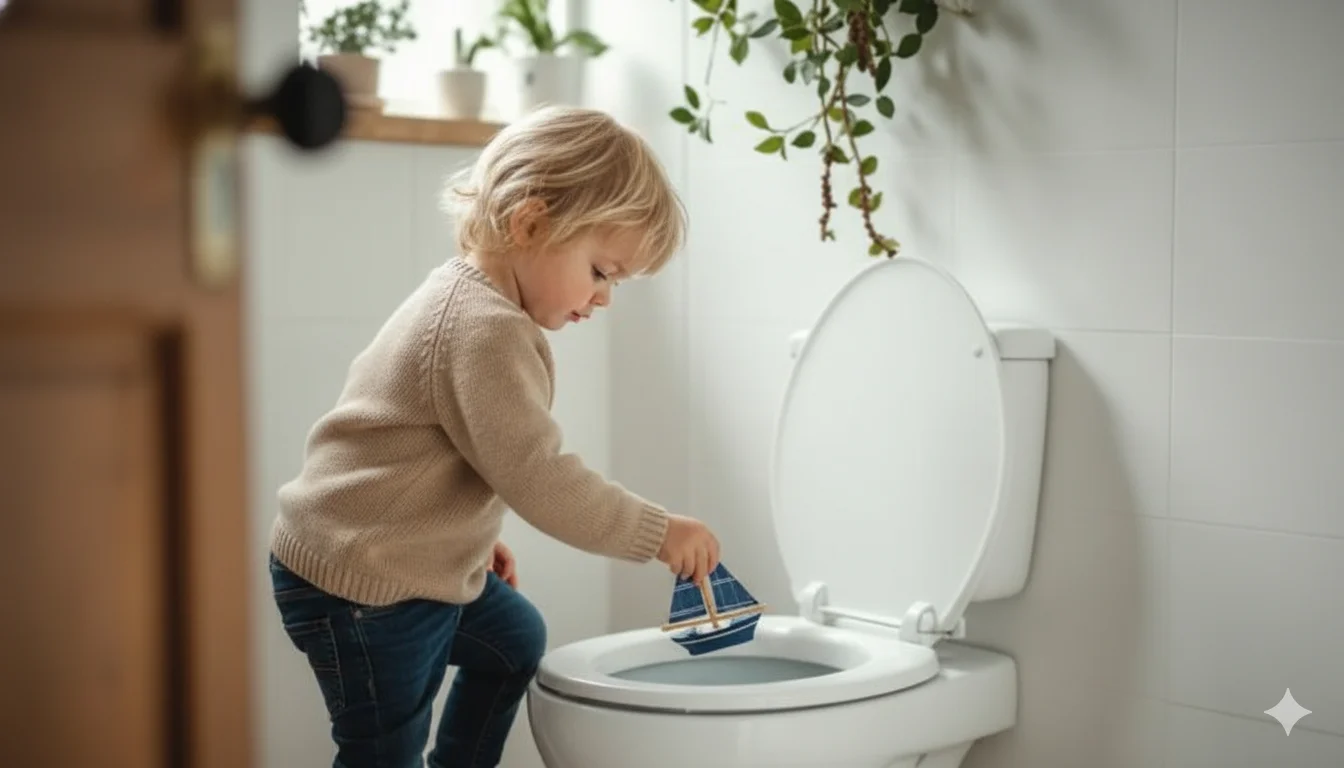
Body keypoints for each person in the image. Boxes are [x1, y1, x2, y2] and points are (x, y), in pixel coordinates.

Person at [267, 105, 721, 768]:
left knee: (513, 642)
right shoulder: (484, 330)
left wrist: (462, 533)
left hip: (390, 552)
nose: (604, 299)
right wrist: (660, 532)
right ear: (531, 222)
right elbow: (543, 480)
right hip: (364, 585)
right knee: (385, 751)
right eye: (601, 271)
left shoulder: (475, 304)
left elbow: (424, 453)